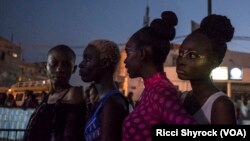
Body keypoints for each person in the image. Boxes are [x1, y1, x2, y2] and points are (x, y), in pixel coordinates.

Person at [122, 11, 197, 141]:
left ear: (142, 54)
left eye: (128, 53)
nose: (125, 61)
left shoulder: (161, 91)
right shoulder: (151, 88)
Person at [176, 14, 237, 124]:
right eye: (181, 53)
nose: (181, 60)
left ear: (214, 62)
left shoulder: (220, 105)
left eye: (192, 56)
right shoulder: (183, 98)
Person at [24, 45, 86, 141]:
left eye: (66, 65)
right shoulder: (48, 97)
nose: (59, 69)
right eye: (54, 63)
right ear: (46, 66)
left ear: (73, 69)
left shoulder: (73, 94)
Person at [79, 39, 129, 141]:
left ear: (105, 63)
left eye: (88, 59)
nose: (81, 65)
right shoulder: (102, 100)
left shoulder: (112, 103)